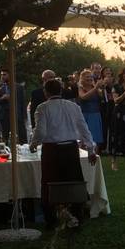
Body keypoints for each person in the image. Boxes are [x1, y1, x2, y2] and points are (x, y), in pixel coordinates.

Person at [29, 79, 98, 231]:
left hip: (52, 150)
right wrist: (91, 150)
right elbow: (84, 129)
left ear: (45, 92)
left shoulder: (42, 108)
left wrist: (33, 145)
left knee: (49, 183)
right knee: (73, 181)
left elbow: (40, 131)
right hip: (70, 148)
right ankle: (76, 217)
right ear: (61, 91)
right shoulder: (73, 106)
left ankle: (51, 219)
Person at [76, 69, 105, 151]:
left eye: (90, 77)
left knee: (95, 138)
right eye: (87, 77)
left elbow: (102, 96)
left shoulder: (94, 87)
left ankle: (95, 156)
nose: (89, 78)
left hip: (95, 115)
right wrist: (96, 88)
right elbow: (83, 97)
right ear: (82, 79)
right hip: (85, 115)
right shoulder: (81, 88)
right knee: (84, 139)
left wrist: (100, 87)